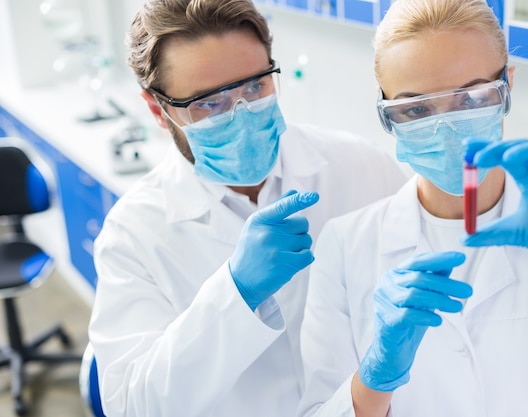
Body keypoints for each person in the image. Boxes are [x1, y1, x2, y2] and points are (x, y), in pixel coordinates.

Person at [297, 0, 528, 416]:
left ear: (507, 85)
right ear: (387, 114)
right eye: (416, 108)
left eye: (470, 98)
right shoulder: (346, 245)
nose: (446, 126)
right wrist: (376, 378)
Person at [87, 0, 407, 416]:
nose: (241, 112)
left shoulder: (361, 167)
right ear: (158, 109)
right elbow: (132, 405)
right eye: (208, 102)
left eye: (255, 86)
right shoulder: (133, 234)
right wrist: (236, 293)